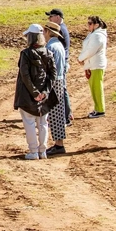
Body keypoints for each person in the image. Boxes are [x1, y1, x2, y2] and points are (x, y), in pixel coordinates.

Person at [14, 24, 57, 160]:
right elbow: (53, 74)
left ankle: (33, 151)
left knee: (29, 122)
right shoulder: (48, 53)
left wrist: (34, 93)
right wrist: (45, 92)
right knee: (43, 122)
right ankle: (42, 151)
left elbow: (25, 75)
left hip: (28, 95)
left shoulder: (25, 54)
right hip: (44, 94)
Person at [43, 19, 67, 156]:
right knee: (57, 113)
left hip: (53, 81)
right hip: (60, 79)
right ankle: (58, 144)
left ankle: (58, 145)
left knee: (54, 114)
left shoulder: (51, 47)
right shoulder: (58, 45)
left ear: (48, 32)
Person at [45, 8, 73, 126]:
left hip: (60, 63)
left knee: (61, 91)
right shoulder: (63, 29)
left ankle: (65, 116)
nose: (49, 19)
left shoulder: (60, 30)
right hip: (62, 62)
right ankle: (66, 114)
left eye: (51, 17)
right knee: (62, 90)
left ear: (57, 17)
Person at [78, 15, 108, 118]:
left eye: (90, 23)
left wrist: (81, 58)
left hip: (95, 64)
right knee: (94, 88)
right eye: (88, 23)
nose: (88, 25)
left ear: (96, 25)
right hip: (92, 64)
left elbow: (91, 50)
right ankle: (97, 108)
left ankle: (100, 110)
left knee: (97, 88)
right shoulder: (94, 34)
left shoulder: (97, 36)